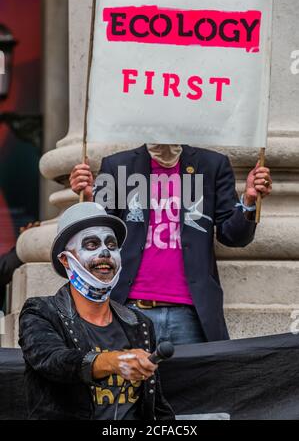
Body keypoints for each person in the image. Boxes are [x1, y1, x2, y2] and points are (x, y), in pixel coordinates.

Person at [70, 144, 272, 344]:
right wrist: (89, 199)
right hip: (128, 309)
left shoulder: (212, 165)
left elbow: (234, 237)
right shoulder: (117, 165)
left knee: (193, 378)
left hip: (191, 313)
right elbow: (100, 236)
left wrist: (249, 199)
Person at [18, 202, 174, 420]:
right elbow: (53, 361)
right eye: (91, 244)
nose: (105, 253)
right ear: (65, 260)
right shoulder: (40, 312)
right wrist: (113, 362)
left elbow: (156, 406)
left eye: (112, 245)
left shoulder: (140, 323)